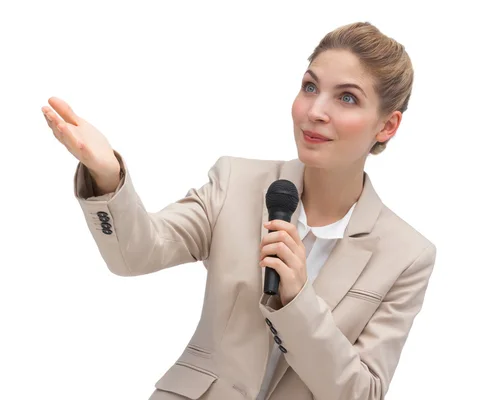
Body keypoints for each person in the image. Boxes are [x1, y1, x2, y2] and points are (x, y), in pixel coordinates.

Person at [41, 21, 436, 400]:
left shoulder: (406, 255)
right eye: (309, 87)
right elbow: (136, 253)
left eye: (347, 97)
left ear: (387, 126)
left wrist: (297, 298)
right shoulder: (236, 182)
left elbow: (360, 393)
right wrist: (107, 175)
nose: (315, 110)